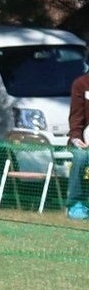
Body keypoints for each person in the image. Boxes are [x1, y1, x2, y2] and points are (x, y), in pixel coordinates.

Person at [65, 67, 89, 220]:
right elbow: (76, 118)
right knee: (80, 157)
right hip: (83, 142)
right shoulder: (81, 84)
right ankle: (76, 203)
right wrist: (76, 139)